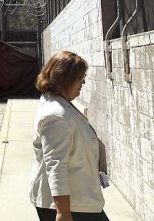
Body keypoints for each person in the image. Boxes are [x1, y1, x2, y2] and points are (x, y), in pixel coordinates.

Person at [29, 51, 109, 221]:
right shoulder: (55, 116)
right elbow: (56, 165)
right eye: (80, 78)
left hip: (80, 202)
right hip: (70, 207)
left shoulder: (60, 104)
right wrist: (63, 213)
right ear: (64, 79)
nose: (83, 83)